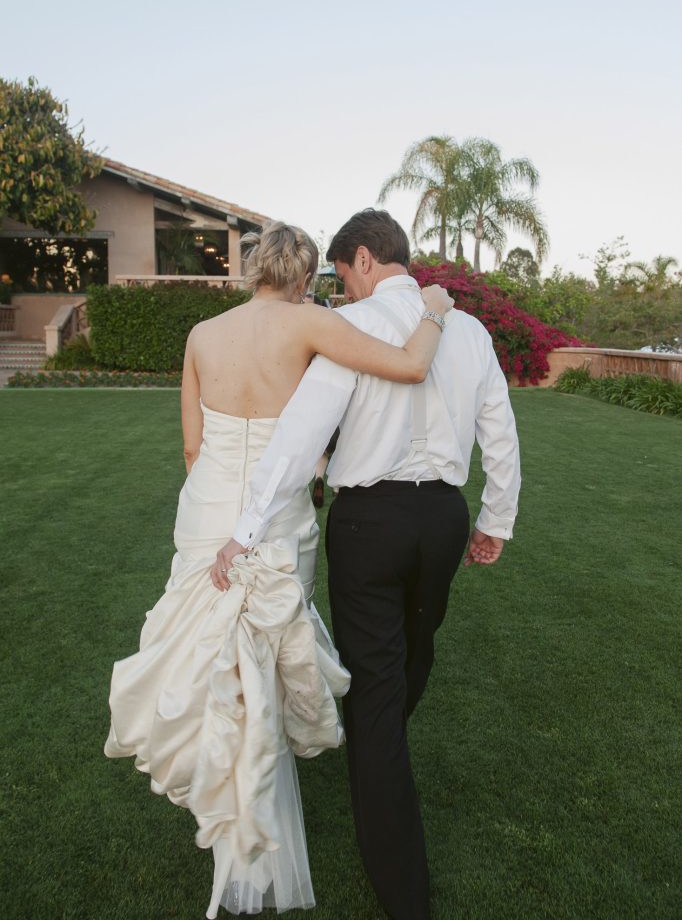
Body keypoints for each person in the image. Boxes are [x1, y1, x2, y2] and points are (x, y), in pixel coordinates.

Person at [103, 220, 452, 919]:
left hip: (208, 512)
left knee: (219, 656)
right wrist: (435, 313)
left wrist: (227, 512)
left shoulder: (202, 335)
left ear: (253, 268)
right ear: (302, 278)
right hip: (279, 515)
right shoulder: (312, 326)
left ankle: (230, 804)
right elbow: (410, 365)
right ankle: (255, 816)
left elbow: (193, 449)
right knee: (262, 653)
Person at [216, 209, 521, 920]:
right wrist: (494, 520)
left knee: (384, 690)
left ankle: (399, 876)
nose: (341, 290)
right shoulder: (469, 330)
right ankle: (382, 758)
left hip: (371, 523)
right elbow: (500, 431)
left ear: (360, 258)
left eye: (341, 275)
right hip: (442, 521)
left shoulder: (356, 329)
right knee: (409, 660)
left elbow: (300, 436)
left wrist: (246, 527)